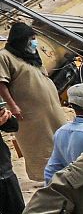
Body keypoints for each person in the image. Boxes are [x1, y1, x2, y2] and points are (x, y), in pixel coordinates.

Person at [0, 22, 70, 183]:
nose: (34, 42)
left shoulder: (31, 55)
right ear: (20, 40)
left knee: (60, 139)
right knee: (40, 145)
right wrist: (13, 106)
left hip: (51, 109)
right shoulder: (5, 56)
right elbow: (1, 83)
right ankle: (46, 178)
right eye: (31, 39)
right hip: (29, 113)